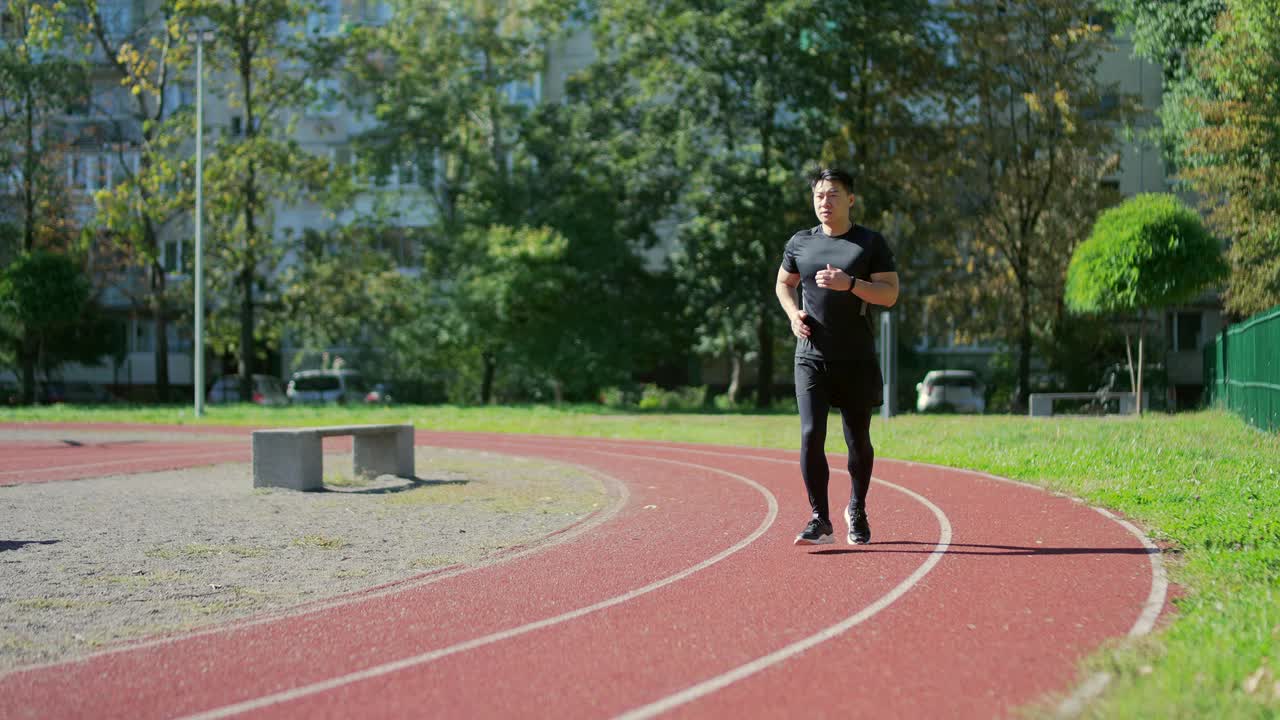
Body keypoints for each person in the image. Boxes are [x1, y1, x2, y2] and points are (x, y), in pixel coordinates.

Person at [774, 167, 899, 545]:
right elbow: (783, 282)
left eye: (831, 195)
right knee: (811, 434)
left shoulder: (868, 243)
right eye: (818, 196)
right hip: (811, 355)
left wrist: (851, 285)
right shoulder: (800, 242)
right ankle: (819, 518)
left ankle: (857, 507)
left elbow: (890, 294)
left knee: (857, 439)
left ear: (850, 199)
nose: (823, 203)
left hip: (856, 357)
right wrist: (793, 314)